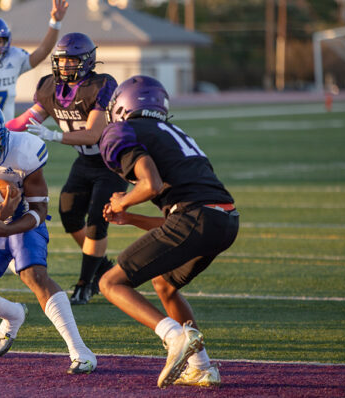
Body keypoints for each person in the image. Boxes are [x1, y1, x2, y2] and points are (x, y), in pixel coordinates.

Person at [98, 76, 239, 388]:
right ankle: (200, 367)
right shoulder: (175, 133)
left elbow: (151, 185)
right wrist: (132, 217)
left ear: (121, 106)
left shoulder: (121, 130)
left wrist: (122, 201)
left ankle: (174, 336)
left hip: (196, 218)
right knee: (164, 284)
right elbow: (178, 221)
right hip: (225, 220)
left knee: (110, 282)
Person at [0, 100, 96, 374]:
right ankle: (13, 315)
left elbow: (39, 210)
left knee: (34, 275)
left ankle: (80, 351)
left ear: (2, 135)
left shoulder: (24, 150)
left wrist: (8, 226)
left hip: (24, 219)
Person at [7, 32, 127, 305]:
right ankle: (101, 266)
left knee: (97, 223)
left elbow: (94, 133)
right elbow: (27, 119)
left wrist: (54, 136)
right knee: (70, 216)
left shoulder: (101, 84)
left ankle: (86, 283)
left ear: (87, 61)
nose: (65, 66)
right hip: (84, 162)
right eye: (61, 61)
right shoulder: (50, 87)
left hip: (111, 162)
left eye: (72, 61)